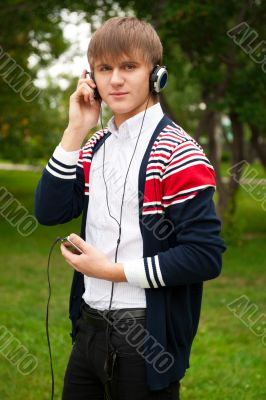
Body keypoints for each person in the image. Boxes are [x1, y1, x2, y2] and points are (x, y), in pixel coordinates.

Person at [35, 16, 226, 400]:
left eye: (129, 67)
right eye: (105, 69)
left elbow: (205, 256)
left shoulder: (179, 152)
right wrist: (76, 130)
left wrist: (114, 272)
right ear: (91, 78)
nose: (116, 80)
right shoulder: (95, 146)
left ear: (156, 75)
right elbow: (48, 211)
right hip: (87, 329)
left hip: (145, 340)